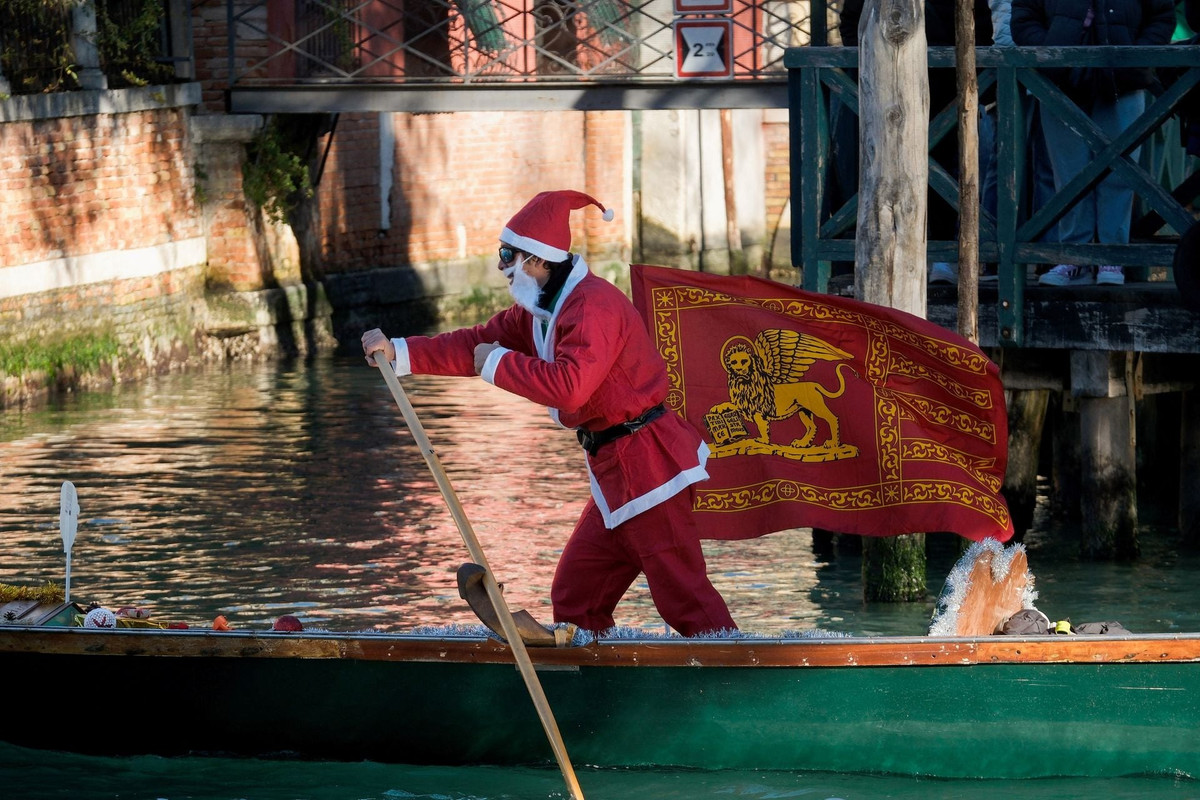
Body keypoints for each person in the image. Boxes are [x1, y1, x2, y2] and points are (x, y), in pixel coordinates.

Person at [361, 190, 737, 638]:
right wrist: (398, 351)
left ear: (537, 261)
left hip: (651, 470)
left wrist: (497, 365)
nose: (502, 267)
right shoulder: (540, 310)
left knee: (685, 598)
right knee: (577, 596)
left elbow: (570, 386)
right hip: (613, 474)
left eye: (507, 255)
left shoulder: (592, 306)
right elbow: (474, 343)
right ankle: (584, 681)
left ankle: (742, 687)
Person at [1012, 0, 1174, 286]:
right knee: (1068, 172)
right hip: (1061, 80)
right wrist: (1052, 51)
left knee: (1121, 173)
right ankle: (1074, 258)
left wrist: (1136, 58)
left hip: (1122, 78)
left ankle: (1111, 256)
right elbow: (1024, 17)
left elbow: (1162, 15)